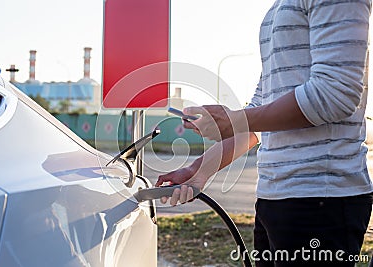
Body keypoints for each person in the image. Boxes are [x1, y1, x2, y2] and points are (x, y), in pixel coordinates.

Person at [156, 0, 373, 266]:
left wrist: (235, 120)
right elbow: (261, 112)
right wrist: (199, 170)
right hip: (276, 197)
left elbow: (335, 93)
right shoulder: (279, 6)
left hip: (320, 201)